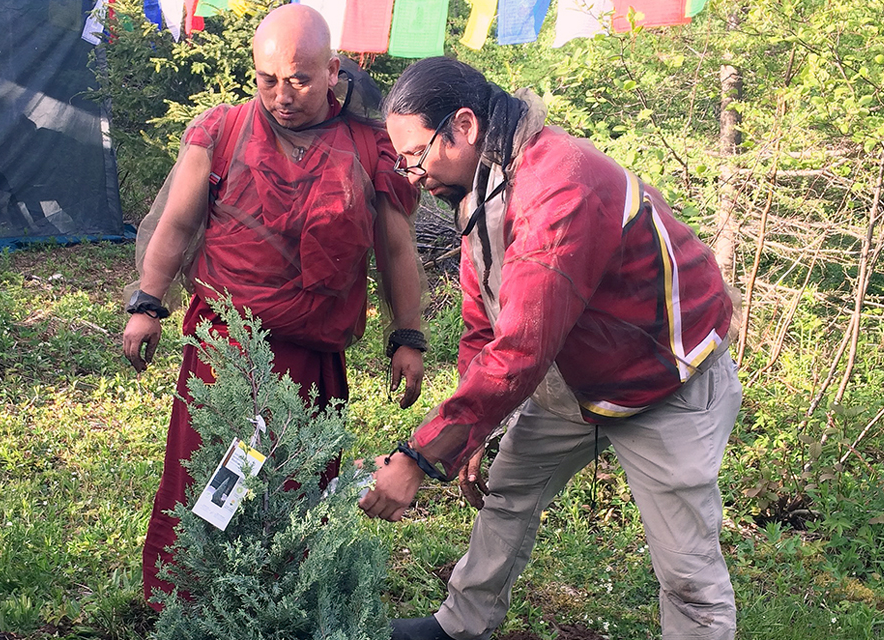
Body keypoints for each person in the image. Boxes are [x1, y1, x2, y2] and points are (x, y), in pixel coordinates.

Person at [359, 57, 742, 640]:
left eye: (417, 155)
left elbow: (520, 349)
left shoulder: (560, 184)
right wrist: (473, 432)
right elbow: (482, 321)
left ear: (464, 125)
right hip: (574, 380)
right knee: (508, 493)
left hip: (665, 381)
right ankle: (461, 626)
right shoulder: (477, 185)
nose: (412, 173)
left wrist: (420, 458)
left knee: (688, 568)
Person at [124, 5, 425, 609]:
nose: (281, 96)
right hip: (227, 352)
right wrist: (147, 302)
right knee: (216, 480)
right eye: (267, 80)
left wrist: (408, 335)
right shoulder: (222, 131)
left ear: (334, 70)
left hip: (312, 357)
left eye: (299, 80)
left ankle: (279, 601)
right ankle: (192, 601)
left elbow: (396, 250)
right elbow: (177, 225)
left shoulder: (370, 145)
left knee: (297, 484)